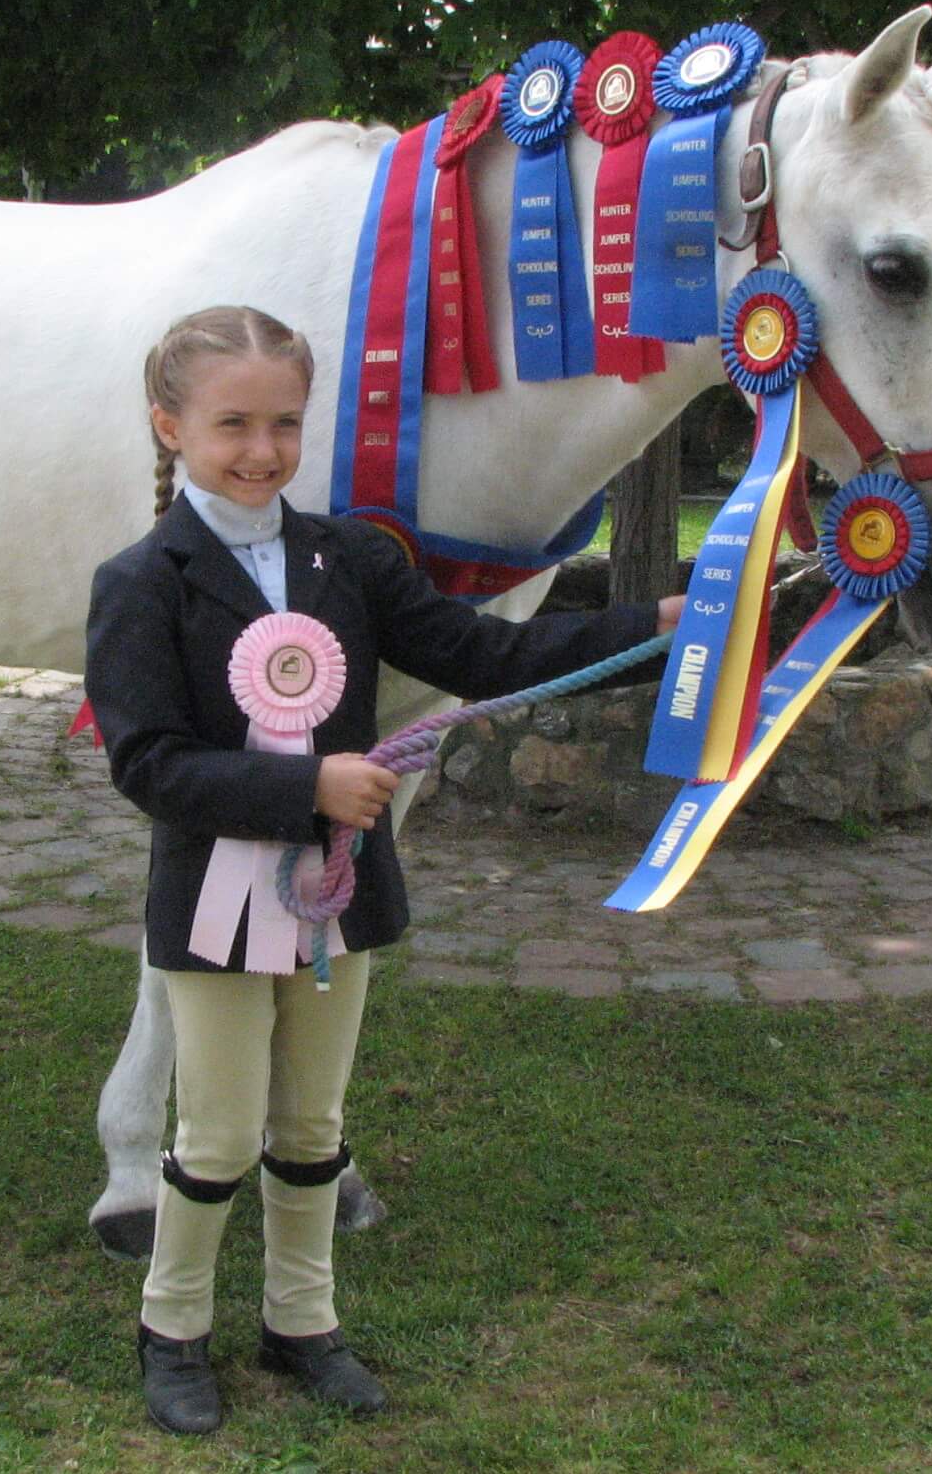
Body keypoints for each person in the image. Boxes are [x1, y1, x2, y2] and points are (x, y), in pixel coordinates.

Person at [83, 305, 683, 1434]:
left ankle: (301, 1324)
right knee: (213, 1133)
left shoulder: (346, 558)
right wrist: (304, 790)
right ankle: (173, 1329)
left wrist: (653, 622)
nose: (261, 450)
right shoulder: (141, 581)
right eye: (231, 425)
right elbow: (147, 762)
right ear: (169, 426)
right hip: (210, 907)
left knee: (312, 1127)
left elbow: (486, 653)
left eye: (285, 423)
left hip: (333, 898)